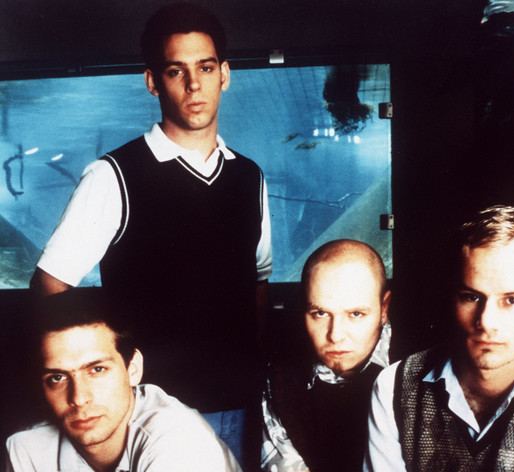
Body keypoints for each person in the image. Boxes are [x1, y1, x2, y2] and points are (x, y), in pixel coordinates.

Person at [29, 3, 271, 466]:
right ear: (152, 81)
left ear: (224, 74)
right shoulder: (112, 176)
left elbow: (258, 284)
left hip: (239, 406)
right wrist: (99, 383)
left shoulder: (250, 176)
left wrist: (253, 378)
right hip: (150, 417)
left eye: (205, 68)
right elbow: (50, 283)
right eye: (176, 70)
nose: (193, 84)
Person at [364, 205, 514, 471]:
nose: (486, 321)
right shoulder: (394, 386)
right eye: (471, 297)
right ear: (452, 298)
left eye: (512, 300)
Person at [4, 291, 241, 472]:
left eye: (97, 370)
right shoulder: (26, 447)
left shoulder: (180, 442)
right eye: (57, 377)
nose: (79, 398)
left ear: (133, 369)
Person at [262, 239, 392, 472]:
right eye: (320, 313)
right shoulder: (279, 377)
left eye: (356, 314)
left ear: (384, 309)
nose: (335, 335)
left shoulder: (424, 371)